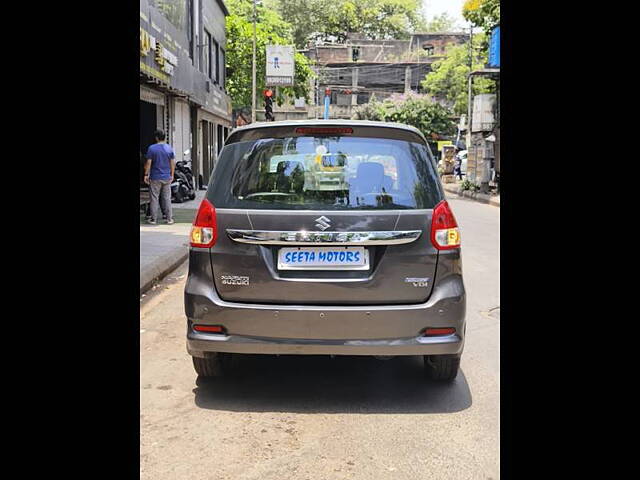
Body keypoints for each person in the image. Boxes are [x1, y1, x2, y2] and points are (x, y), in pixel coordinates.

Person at [144, 130, 175, 225]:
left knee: (154, 198)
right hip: (166, 177)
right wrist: (172, 175)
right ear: (164, 137)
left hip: (155, 177)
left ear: (156, 137)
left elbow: (149, 163)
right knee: (167, 198)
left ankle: (153, 219)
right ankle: (169, 219)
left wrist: (146, 174)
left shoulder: (152, 148)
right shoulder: (169, 148)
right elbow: (172, 163)